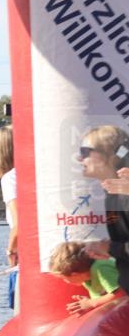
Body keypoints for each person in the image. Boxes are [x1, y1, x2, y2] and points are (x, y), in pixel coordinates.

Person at [79, 126, 129, 295]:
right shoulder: (113, 194)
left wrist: (109, 249)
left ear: (111, 157)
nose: (79, 158)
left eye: (85, 152)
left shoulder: (124, 194)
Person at [49, 241, 126, 314]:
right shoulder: (87, 279)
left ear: (75, 274)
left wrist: (91, 303)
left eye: (65, 278)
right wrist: (88, 303)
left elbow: (122, 292)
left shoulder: (101, 268)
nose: (66, 281)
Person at [0, 125, 19, 311]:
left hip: (22, 257)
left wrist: (10, 251)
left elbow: (18, 223)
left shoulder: (10, 179)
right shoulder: (33, 174)